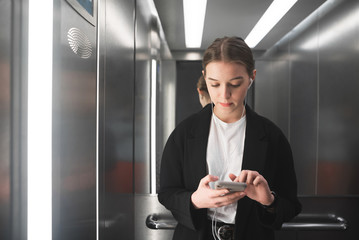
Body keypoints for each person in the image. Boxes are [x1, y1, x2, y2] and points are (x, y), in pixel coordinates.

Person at [158, 36, 301, 240]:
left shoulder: (272, 136)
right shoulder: (184, 133)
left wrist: (268, 200)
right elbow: (167, 193)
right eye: (214, 84)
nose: (224, 95)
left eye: (235, 83)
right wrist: (195, 200)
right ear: (204, 77)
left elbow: (291, 205)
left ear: (252, 77)